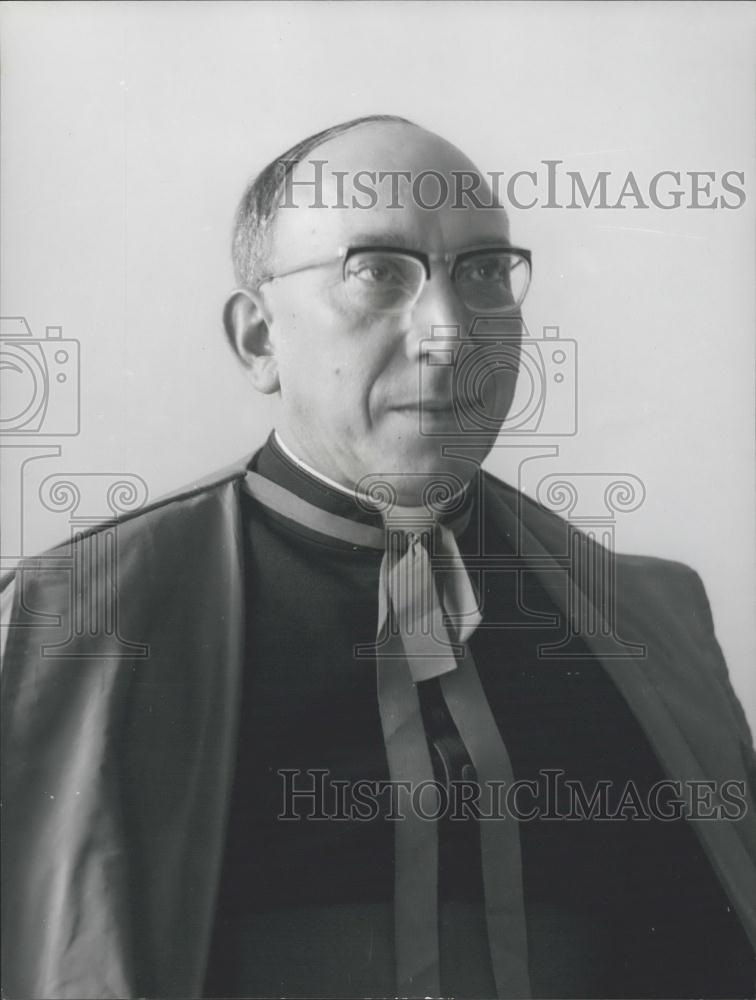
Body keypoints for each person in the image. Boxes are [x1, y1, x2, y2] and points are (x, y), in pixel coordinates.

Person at [2, 115, 755, 1000]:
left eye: (482, 273)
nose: (447, 334)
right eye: (378, 273)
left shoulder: (653, 620)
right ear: (258, 339)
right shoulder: (69, 621)